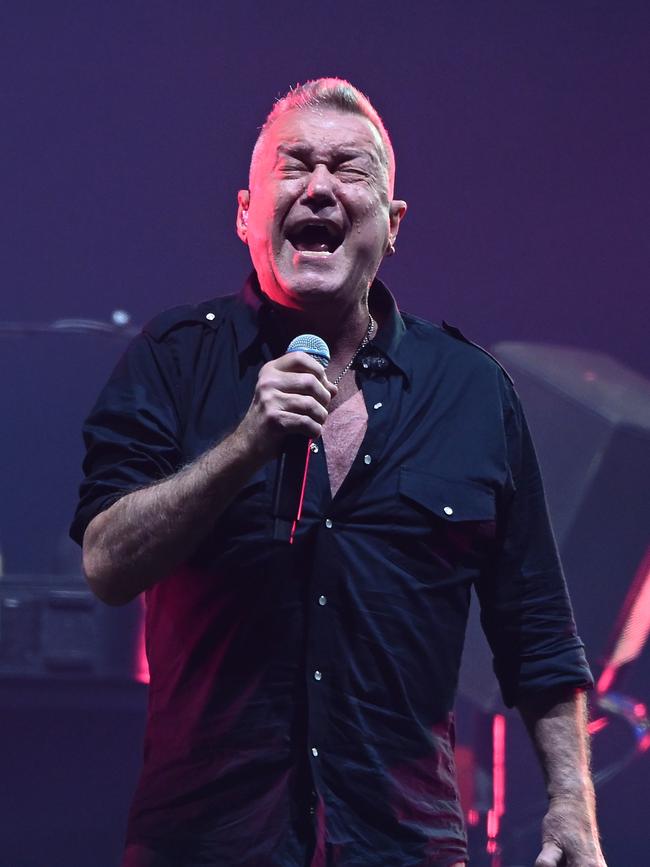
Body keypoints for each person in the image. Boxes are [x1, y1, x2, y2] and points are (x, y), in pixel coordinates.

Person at [71, 78, 606, 867]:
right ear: (247, 212)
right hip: (207, 842)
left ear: (391, 226)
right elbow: (108, 565)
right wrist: (242, 447)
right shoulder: (174, 360)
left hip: (401, 843)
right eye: (294, 165)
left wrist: (571, 801)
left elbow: (536, 630)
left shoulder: (471, 390)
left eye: (349, 169)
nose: (319, 186)